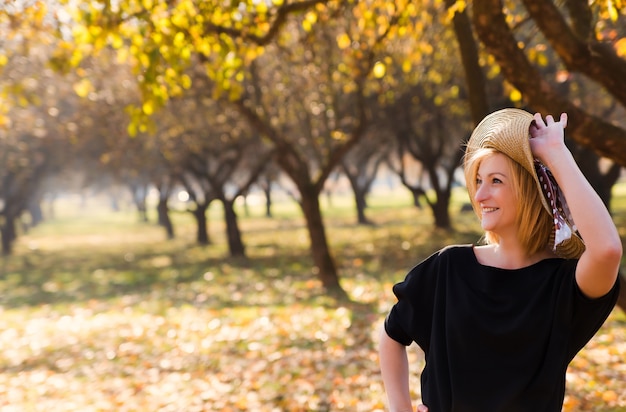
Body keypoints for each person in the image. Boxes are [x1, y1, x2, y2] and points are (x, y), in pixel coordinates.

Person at [378, 108, 622, 412]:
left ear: (529, 191)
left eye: (496, 181)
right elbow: (391, 334)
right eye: (478, 180)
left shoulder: (563, 286)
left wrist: (556, 153)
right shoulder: (448, 269)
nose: (479, 195)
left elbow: (607, 250)